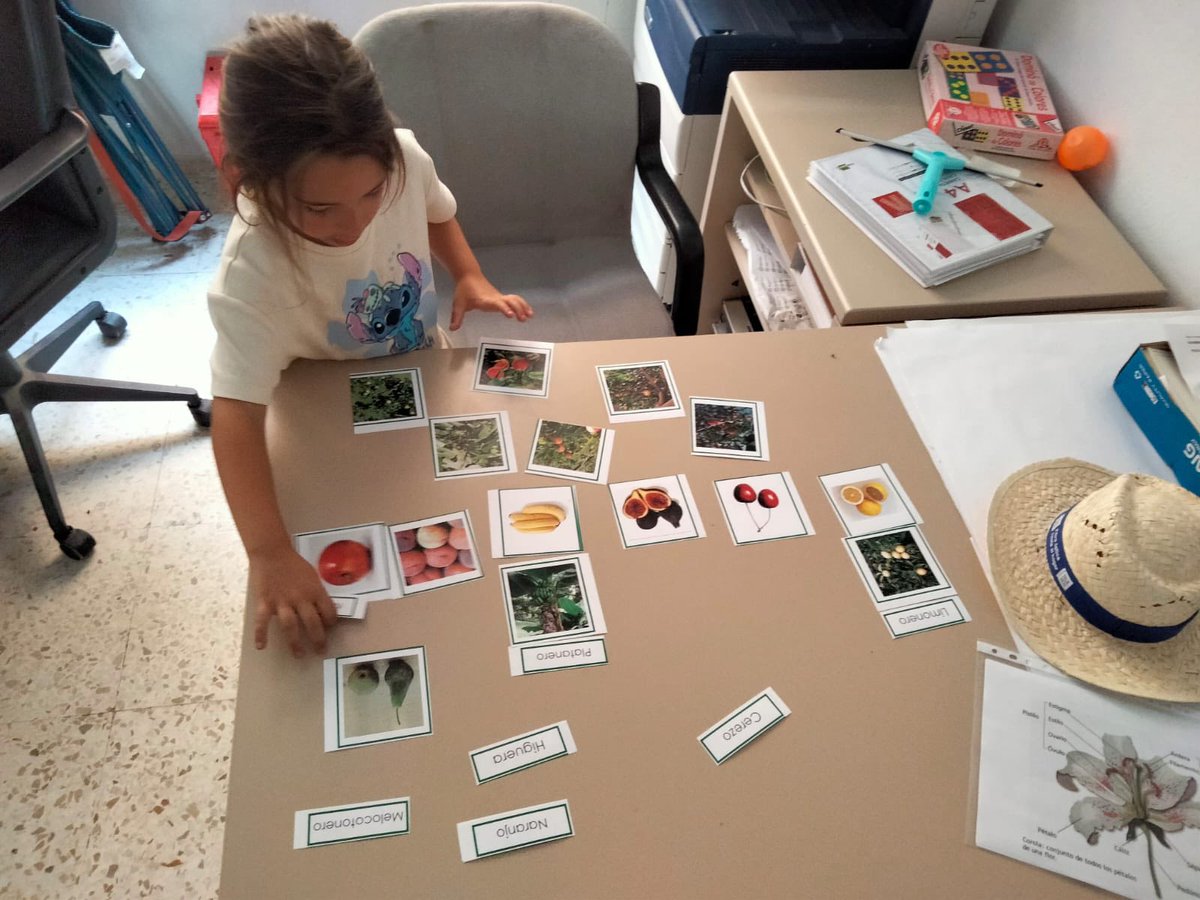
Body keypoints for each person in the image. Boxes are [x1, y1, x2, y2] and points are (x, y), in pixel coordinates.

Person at [207, 14, 532, 658]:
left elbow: (438, 213)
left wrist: (468, 274)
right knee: (371, 599)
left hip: (420, 379)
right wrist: (269, 554)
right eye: (319, 208)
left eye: (371, 194)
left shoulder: (404, 157)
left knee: (455, 574)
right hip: (325, 418)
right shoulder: (252, 270)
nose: (353, 223)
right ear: (242, 178)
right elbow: (236, 418)